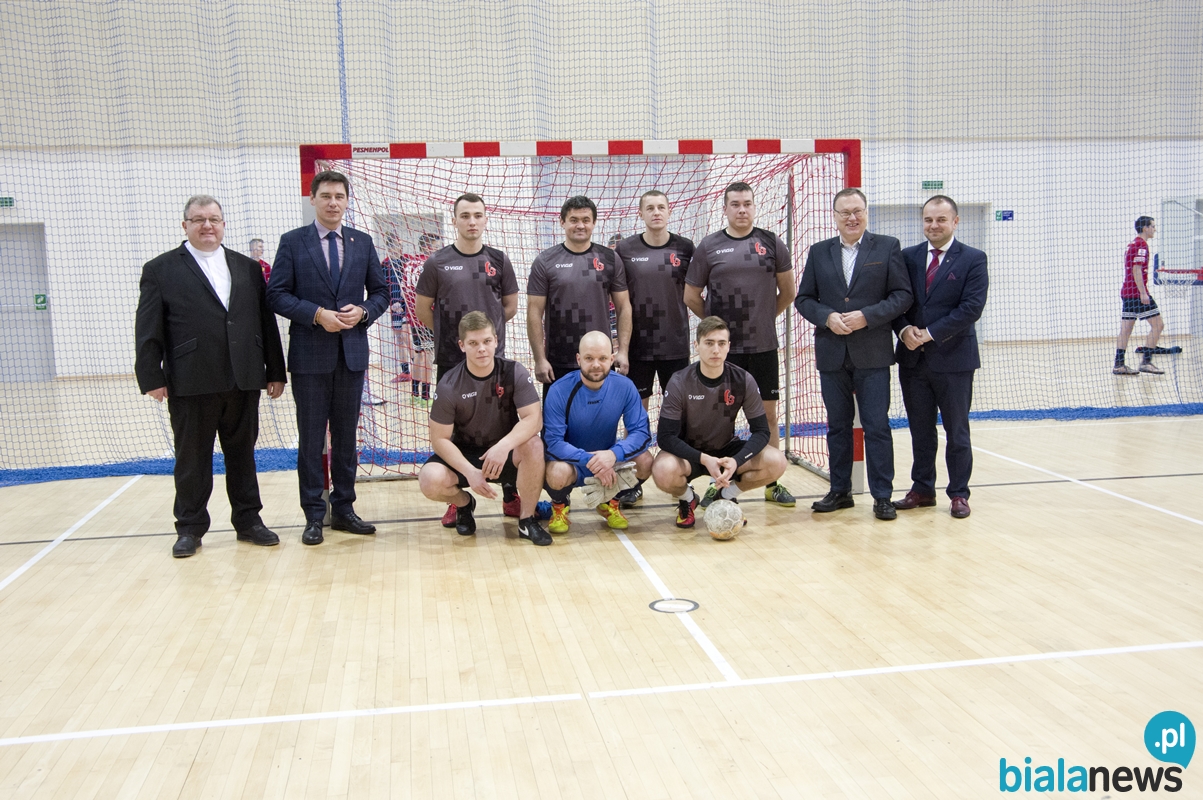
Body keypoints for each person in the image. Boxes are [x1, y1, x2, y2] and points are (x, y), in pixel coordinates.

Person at [135, 195, 286, 558]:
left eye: (214, 219)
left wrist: (275, 370)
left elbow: (265, 323)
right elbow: (148, 328)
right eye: (199, 219)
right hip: (191, 379)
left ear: (223, 224)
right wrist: (151, 376)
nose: (207, 226)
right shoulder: (160, 269)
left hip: (243, 377)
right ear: (184, 225)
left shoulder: (247, 268)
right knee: (192, 459)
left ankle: (249, 521)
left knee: (243, 456)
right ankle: (189, 528)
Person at [266, 170, 389, 546]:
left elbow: (381, 293)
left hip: (351, 356)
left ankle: (345, 509)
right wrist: (317, 314)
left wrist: (363, 312)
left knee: (347, 438)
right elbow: (276, 294)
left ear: (347, 201)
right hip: (309, 357)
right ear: (313, 199)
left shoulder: (362, 242)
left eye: (339, 196)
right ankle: (313, 515)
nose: (333, 202)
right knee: (311, 439)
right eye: (326, 196)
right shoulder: (292, 242)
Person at [795, 188, 912, 521]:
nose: (852, 217)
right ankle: (840, 491)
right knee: (837, 427)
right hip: (832, 353)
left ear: (866, 212)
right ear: (834, 216)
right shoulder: (819, 252)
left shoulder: (887, 246)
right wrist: (827, 317)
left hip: (873, 353)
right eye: (845, 212)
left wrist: (867, 316)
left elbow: (902, 295)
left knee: (877, 427)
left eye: (857, 211)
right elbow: (804, 299)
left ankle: (882, 496)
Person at [684, 182, 797, 508]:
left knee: (768, 417)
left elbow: (788, 292)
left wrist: (763, 319)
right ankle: (718, 483)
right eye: (735, 204)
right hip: (723, 353)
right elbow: (691, 295)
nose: (742, 209)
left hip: (763, 347)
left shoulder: (771, 242)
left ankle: (771, 483)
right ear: (725, 209)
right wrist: (716, 332)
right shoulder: (709, 246)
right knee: (720, 420)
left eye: (747, 203)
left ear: (754, 206)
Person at [413, 193, 523, 526]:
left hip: (492, 361)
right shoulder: (437, 262)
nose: (471, 221)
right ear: (455, 220)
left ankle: (510, 490)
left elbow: (510, 306)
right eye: (465, 216)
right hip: (451, 360)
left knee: (503, 424)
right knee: (455, 430)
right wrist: (455, 338)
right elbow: (423, 309)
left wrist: (483, 341)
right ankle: (459, 498)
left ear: (485, 219)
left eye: (477, 215)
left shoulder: (499, 260)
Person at [417, 312, 552, 546]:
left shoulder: (513, 372)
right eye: (473, 343)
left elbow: (534, 420)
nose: (481, 349)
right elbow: (439, 439)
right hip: (465, 456)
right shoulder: (449, 384)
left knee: (534, 444)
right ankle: (464, 504)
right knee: (429, 479)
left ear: (496, 341)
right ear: (462, 345)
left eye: (487, 341)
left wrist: (503, 446)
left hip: (504, 452)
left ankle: (527, 520)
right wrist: (470, 472)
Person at [891, 196, 989, 520]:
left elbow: (971, 308)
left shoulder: (974, 259)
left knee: (956, 432)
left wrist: (930, 333)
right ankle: (922, 489)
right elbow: (895, 301)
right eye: (928, 220)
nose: (934, 225)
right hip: (912, 361)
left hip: (954, 360)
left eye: (941, 220)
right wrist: (904, 330)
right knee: (920, 431)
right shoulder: (907, 257)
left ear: (955, 222)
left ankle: (959, 493)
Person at [652, 317, 787, 528]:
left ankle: (725, 496)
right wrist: (704, 459)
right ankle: (688, 499)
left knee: (777, 461)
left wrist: (737, 460)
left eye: (721, 343)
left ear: (728, 347)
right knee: (662, 470)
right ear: (696, 345)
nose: (716, 350)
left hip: (726, 451)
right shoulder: (680, 381)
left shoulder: (742, 379)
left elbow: (761, 431)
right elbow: (665, 437)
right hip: (690, 454)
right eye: (709, 343)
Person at [612, 190, 695, 508]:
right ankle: (634, 483)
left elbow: (696, 290)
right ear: (641, 213)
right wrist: (619, 343)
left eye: (661, 207)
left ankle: (679, 480)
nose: (656, 212)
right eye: (650, 208)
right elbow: (618, 299)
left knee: (680, 417)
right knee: (637, 419)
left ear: (669, 211)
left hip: (676, 345)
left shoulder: (685, 248)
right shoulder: (626, 249)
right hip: (639, 348)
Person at [543, 331, 654, 534]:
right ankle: (560, 504)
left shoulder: (625, 386)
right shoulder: (559, 390)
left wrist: (613, 454)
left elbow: (641, 432)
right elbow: (553, 442)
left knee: (645, 461)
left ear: (612, 359)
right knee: (556, 473)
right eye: (589, 358)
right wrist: (591, 460)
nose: (596, 365)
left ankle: (611, 501)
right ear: (578, 359)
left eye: (602, 358)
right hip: (573, 463)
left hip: (610, 461)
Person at [527, 195, 632, 386]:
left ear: (594, 223)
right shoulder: (545, 261)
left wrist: (623, 351)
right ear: (562, 222)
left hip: (600, 360)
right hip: (558, 360)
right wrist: (539, 359)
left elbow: (623, 306)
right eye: (574, 220)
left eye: (585, 220)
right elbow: (534, 312)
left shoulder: (610, 259)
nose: (580, 225)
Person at [1113, 216, 1165, 375]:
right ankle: (1146, 362)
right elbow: (1136, 269)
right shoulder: (1141, 245)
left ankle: (1119, 364)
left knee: (1126, 329)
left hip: (1127, 292)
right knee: (1158, 325)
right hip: (1137, 294)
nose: (1154, 229)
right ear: (1145, 228)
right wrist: (1143, 293)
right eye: (1152, 226)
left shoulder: (1132, 244)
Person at [381, 233, 413, 387]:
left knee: (407, 338)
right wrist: (391, 302)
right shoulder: (385, 264)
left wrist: (404, 300)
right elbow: (383, 286)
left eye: (400, 245)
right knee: (399, 338)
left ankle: (417, 368)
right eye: (395, 245)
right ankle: (405, 372)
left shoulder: (407, 261)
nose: (399, 248)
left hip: (408, 306)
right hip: (395, 307)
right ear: (389, 247)